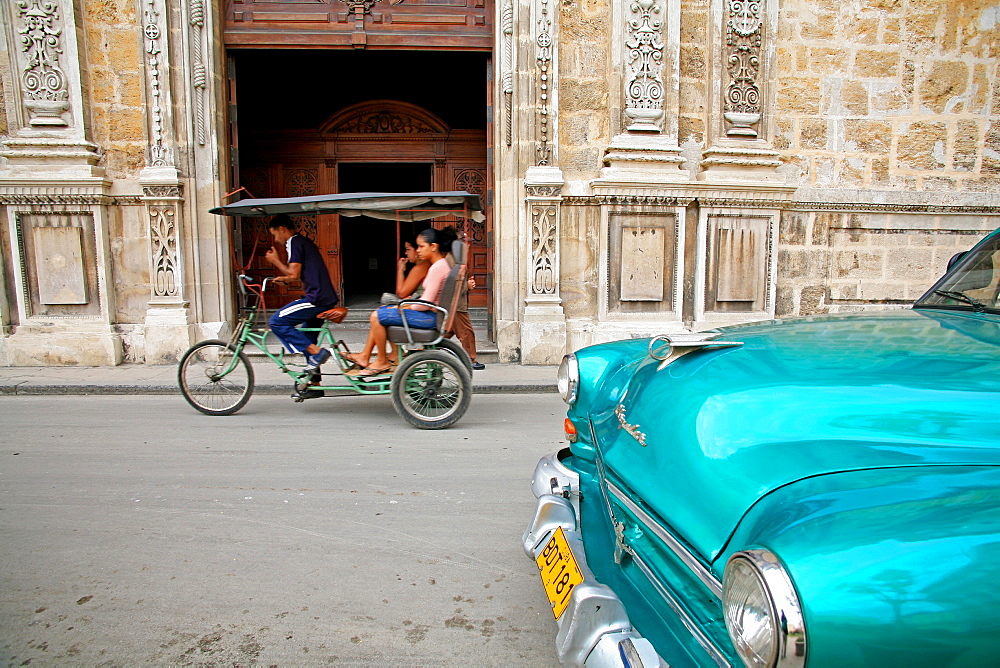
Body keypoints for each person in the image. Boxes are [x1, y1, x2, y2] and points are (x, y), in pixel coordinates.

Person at [345, 226, 457, 376]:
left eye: (421, 246)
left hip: (429, 317)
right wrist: (405, 306)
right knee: (382, 312)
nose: (418, 250)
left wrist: (404, 307)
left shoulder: (437, 268)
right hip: (431, 315)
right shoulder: (441, 265)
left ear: (433, 247)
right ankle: (376, 357)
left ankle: (381, 360)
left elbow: (425, 304)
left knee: (376, 316)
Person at [264, 214, 339, 372]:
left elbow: (294, 274)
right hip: (324, 296)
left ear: (282, 229)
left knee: (276, 322)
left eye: (275, 234)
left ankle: (317, 353)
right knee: (307, 337)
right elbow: (294, 274)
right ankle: (313, 384)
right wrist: (285, 279)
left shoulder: (294, 241)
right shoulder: (302, 241)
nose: (276, 239)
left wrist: (276, 261)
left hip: (316, 298)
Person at [445, 228, 485, 370]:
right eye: (464, 241)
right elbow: (451, 285)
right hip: (456, 305)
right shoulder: (451, 259)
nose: (467, 244)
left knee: (446, 332)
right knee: (466, 332)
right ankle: (470, 359)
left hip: (457, 304)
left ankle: (428, 351)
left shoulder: (457, 257)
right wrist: (467, 286)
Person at [380, 237, 429, 305]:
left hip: (422, 305)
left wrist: (400, 270)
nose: (406, 253)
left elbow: (401, 294)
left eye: (408, 249)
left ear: (416, 250)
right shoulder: (426, 264)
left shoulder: (420, 268)